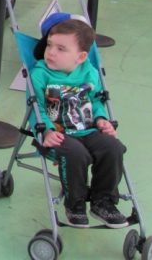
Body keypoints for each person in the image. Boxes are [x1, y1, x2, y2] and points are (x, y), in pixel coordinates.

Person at [31, 15, 128, 229]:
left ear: (81, 56)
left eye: (61, 49)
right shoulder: (40, 74)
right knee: (75, 154)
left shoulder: (90, 72)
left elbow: (96, 101)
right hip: (59, 134)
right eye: (49, 45)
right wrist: (46, 131)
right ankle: (75, 204)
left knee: (113, 147)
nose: (51, 52)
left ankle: (103, 202)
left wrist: (101, 119)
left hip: (88, 129)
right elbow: (37, 109)